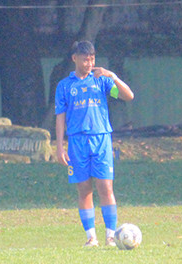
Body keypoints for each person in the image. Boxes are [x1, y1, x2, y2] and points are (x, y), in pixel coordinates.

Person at [55, 40, 135, 247]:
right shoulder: (65, 86)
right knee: (84, 189)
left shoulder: (102, 81)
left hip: (101, 139)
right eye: (85, 60)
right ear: (74, 58)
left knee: (105, 187)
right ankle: (91, 237)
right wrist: (59, 146)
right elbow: (60, 117)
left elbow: (128, 96)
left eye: (92, 59)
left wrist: (113, 76)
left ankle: (111, 236)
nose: (89, 64)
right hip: (77, 142)